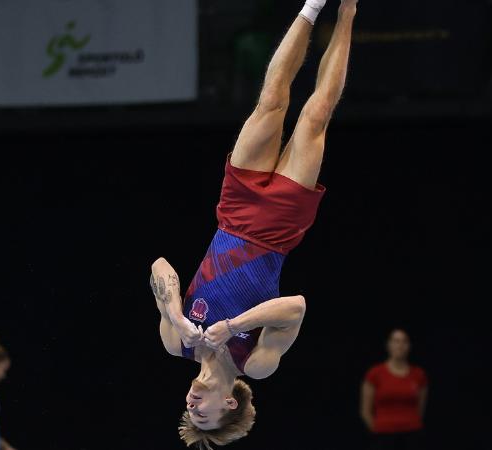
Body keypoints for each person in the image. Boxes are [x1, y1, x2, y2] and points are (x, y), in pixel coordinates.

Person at [150, 1, 359, 447]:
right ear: (230, 405)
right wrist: (230, 327)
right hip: (278, 230)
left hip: (234, 212)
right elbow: (296, 307)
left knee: (272, 99)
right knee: (316, 114)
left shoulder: (178, 343)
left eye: (191, 414)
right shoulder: (257, 363)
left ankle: (313, 4)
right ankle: (347, 10)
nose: (193, 407)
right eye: (205, 418)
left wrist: (174, 314)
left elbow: (160, 266)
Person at [361, 329, 429, 450]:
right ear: (389, 345)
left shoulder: (419, 375)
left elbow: (420, 409)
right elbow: (365, 410)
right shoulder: (375, 373)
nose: (400, 345)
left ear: (409, 346)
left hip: (412, 435)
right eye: (396, 341)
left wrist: (410, 424)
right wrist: (378, 430)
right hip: (383, 436)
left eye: (404, 342)